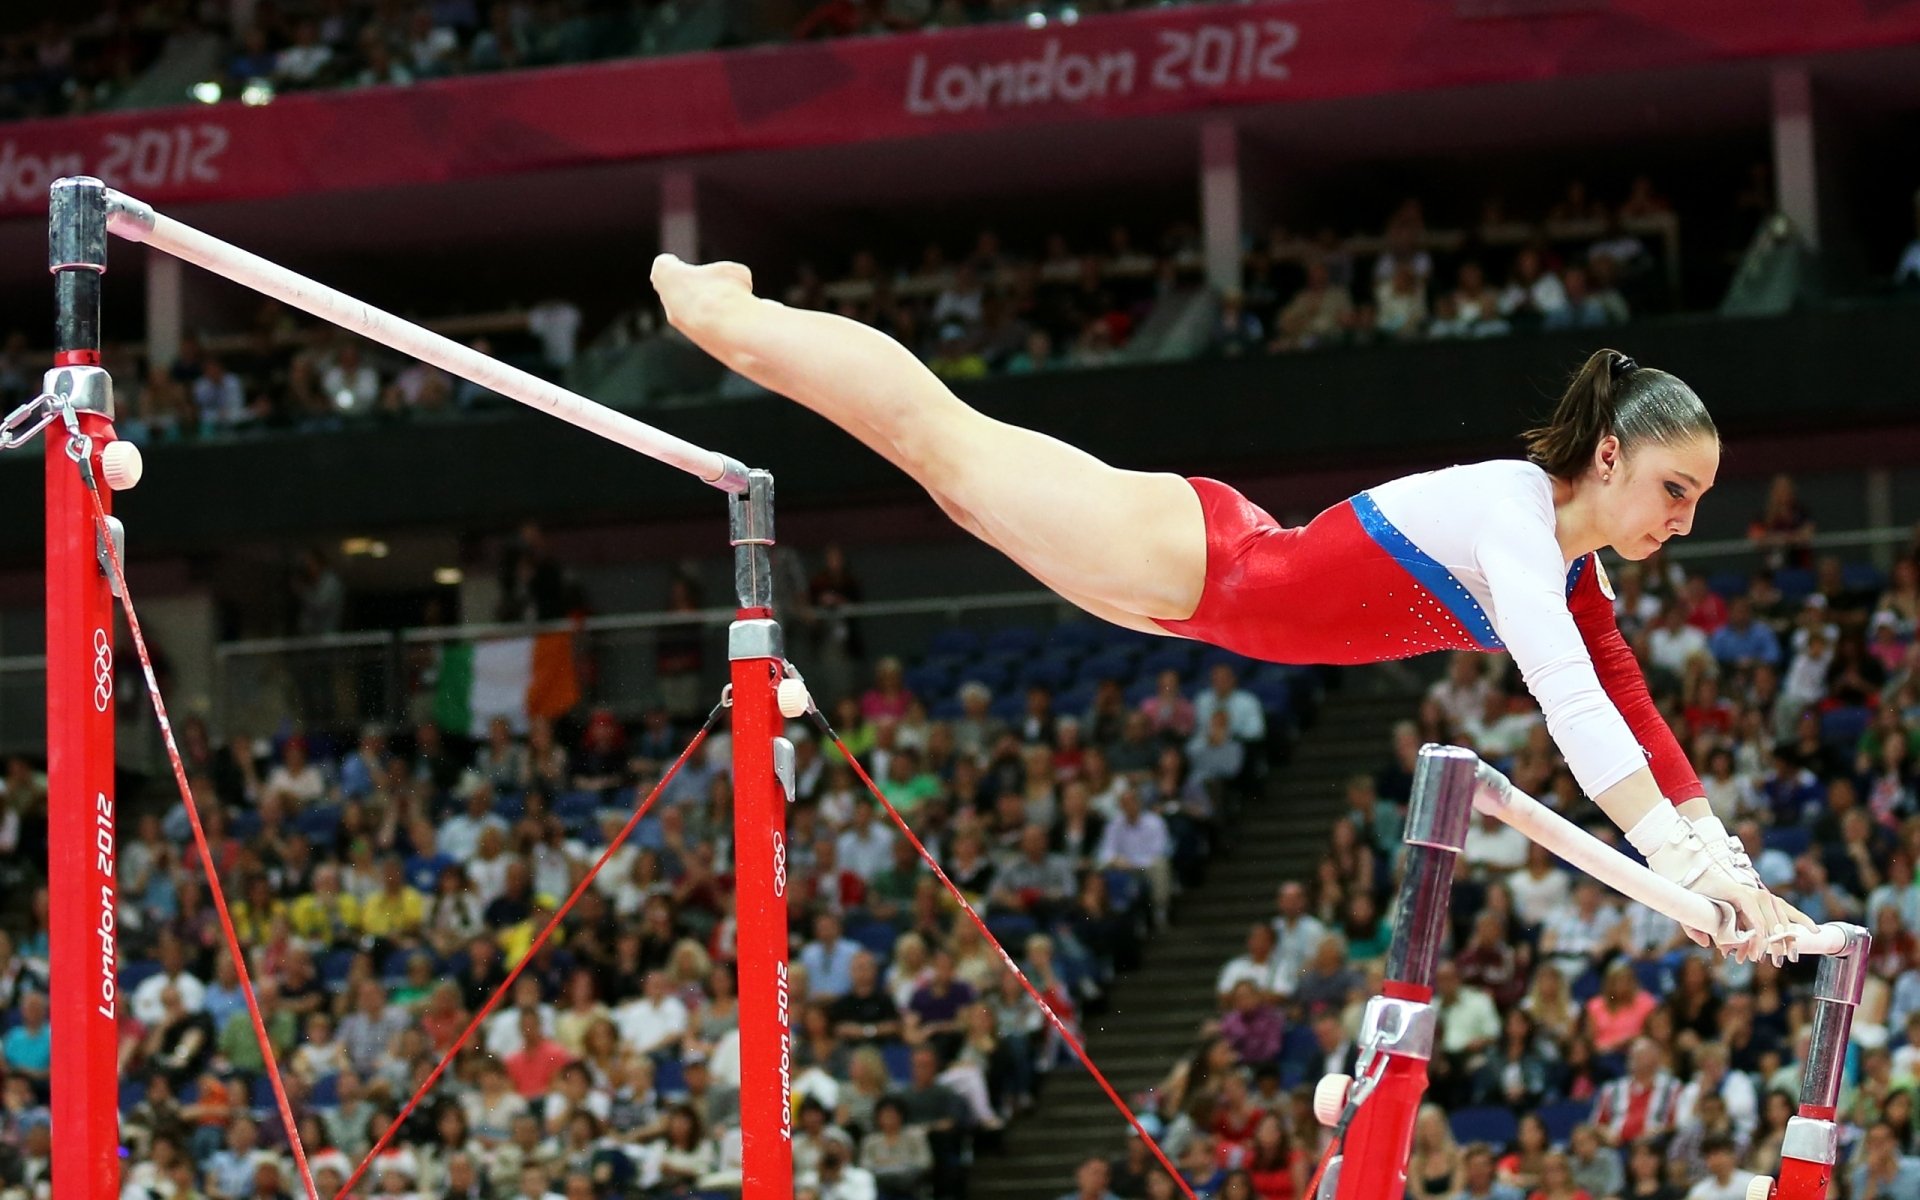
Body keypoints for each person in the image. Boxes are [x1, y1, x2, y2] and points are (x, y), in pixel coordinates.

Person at [651, 255, 1805, 958]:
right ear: (1608, 456)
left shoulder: (1575, 573)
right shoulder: (1516, 517)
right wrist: (1680, 867)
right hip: (1195, 555)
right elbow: (1573, 706)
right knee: (941, 442)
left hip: (1185, 600)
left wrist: (1732, 877)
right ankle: (722, 314)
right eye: (1674, 490)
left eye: (1697, 498)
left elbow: (1638, 712)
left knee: (948, 469)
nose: (1685, 520)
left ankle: (745, 320)